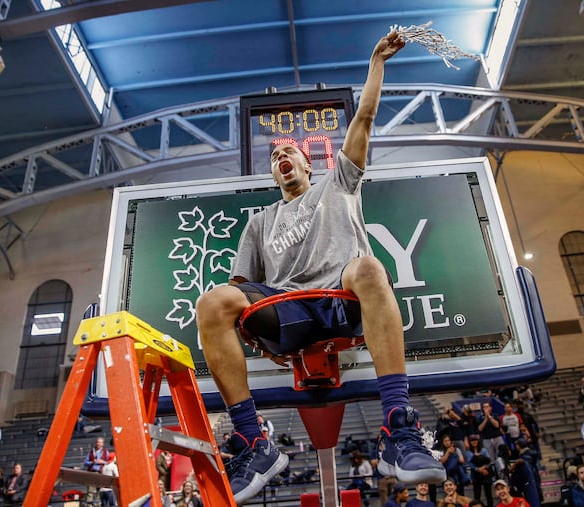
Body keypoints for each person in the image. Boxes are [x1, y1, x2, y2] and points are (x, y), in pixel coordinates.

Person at [195, 30, 444, 505]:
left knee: (369, 268)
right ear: (273, 174)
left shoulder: (339, 183)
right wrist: (241, 306)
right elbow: (243, 289)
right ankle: (253, 440)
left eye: (287, 152)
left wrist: (376, 63)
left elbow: (366, 117)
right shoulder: (259, 221)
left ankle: (397, 425)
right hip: (288, 312)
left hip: (340, 301)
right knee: (213, 301)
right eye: (274, 157)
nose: (279, 156)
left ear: (309, 164)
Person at [467, 434, 493, 507]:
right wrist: (478, 469)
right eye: (472, 441)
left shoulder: (483, 450)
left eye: (475, 440)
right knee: (477, 494)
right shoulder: (469, 452)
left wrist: (484, 468)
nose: (474, 442)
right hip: (476, 475)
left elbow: (489, 460)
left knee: (488, 494)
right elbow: (470, 464)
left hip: (486, 473)